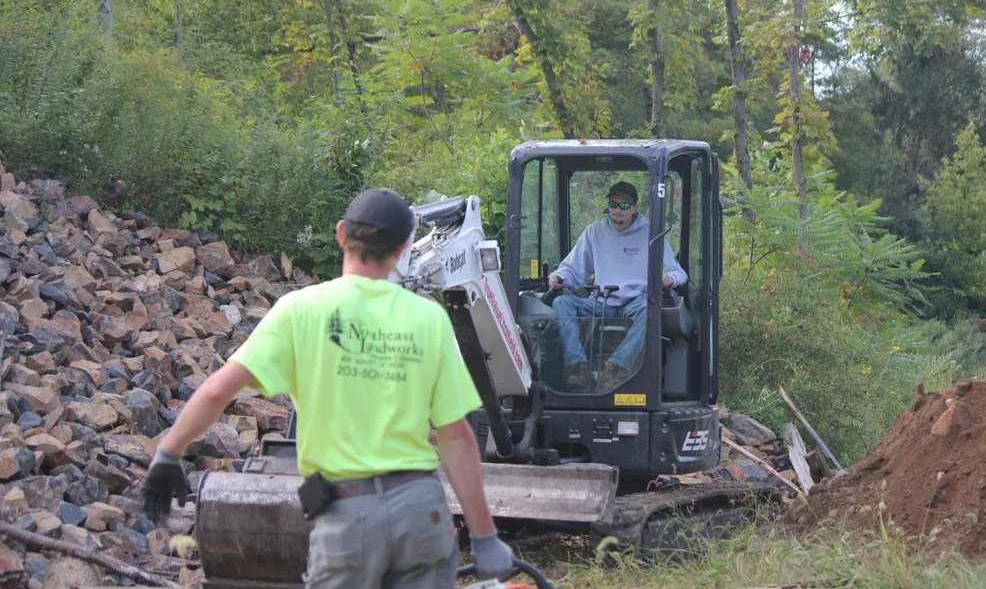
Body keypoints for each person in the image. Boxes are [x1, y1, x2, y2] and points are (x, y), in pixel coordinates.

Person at [140, 187, 513, 589]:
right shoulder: (429, 319)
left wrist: (168, 454)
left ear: (340, 234)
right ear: (404, 247)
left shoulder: (301, 310)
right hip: (420, 513)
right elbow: (456, 437)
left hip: (346, 517)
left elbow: (216, 392)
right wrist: (484, 536)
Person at [547, 181, 687, 391]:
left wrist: (669, 279)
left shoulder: (651, 234)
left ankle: (615, 367)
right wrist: (558, 277)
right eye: (614, 205)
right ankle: (579, 367)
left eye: (624, 206)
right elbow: (572, 270)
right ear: (608, 207)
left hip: (635, 302)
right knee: (561, 303)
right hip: (600, 302)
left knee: (650, 307)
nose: (618, 211)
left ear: (634, 208)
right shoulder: (594, 232)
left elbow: (679, 273)